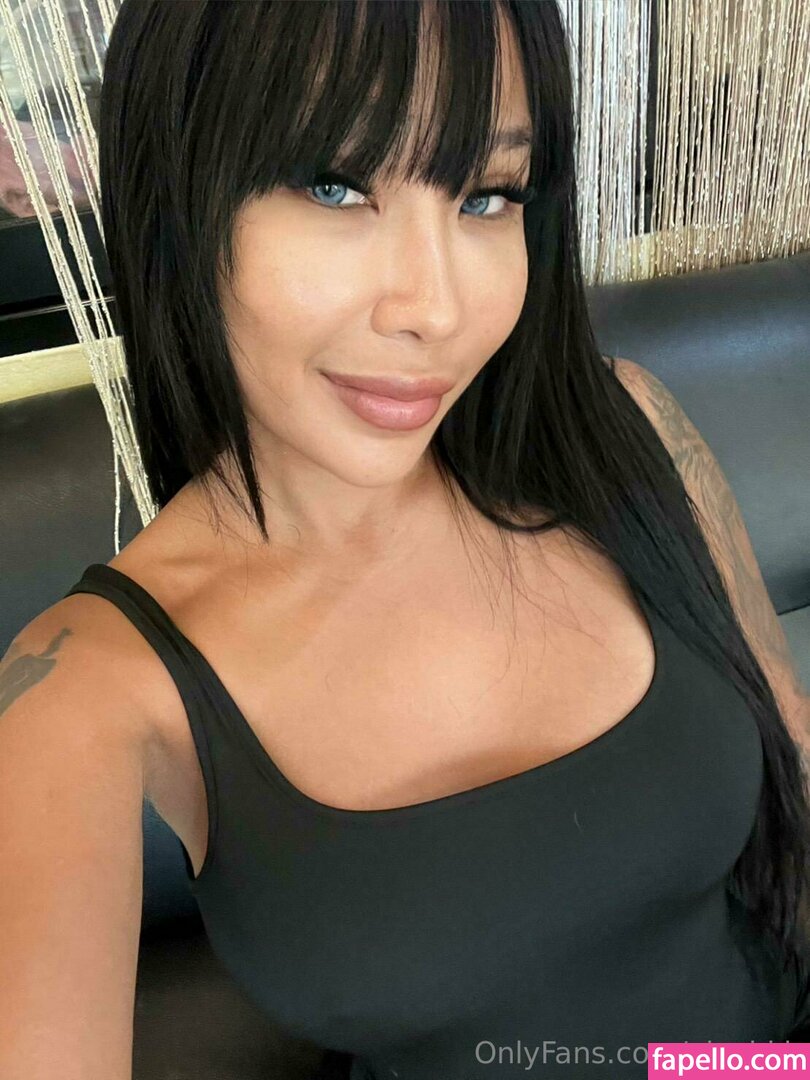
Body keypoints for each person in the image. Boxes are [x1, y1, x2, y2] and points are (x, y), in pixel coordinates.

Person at [3, 2, 810, 1078]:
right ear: (179, 198)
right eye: (336, 185)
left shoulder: (623, 430)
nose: (437, 307)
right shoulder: (84, 693)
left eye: (487, 196)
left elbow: (792, 760)